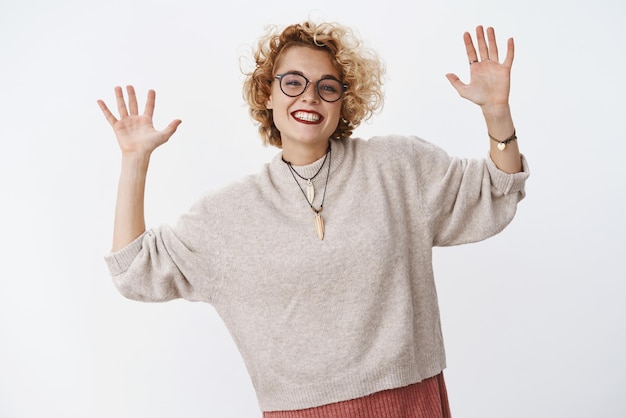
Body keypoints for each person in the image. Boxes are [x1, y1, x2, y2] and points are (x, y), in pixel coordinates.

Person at [98, 21, 529, 418]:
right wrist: (134, 163)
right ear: (267, 93)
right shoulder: (228, 215)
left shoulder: (397, 167)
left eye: (327, 87)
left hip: (411, 400)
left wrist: (496, 112)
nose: (309, 97)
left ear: (345, 99)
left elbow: (496, 191)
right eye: (293, 83)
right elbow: (135, 270)